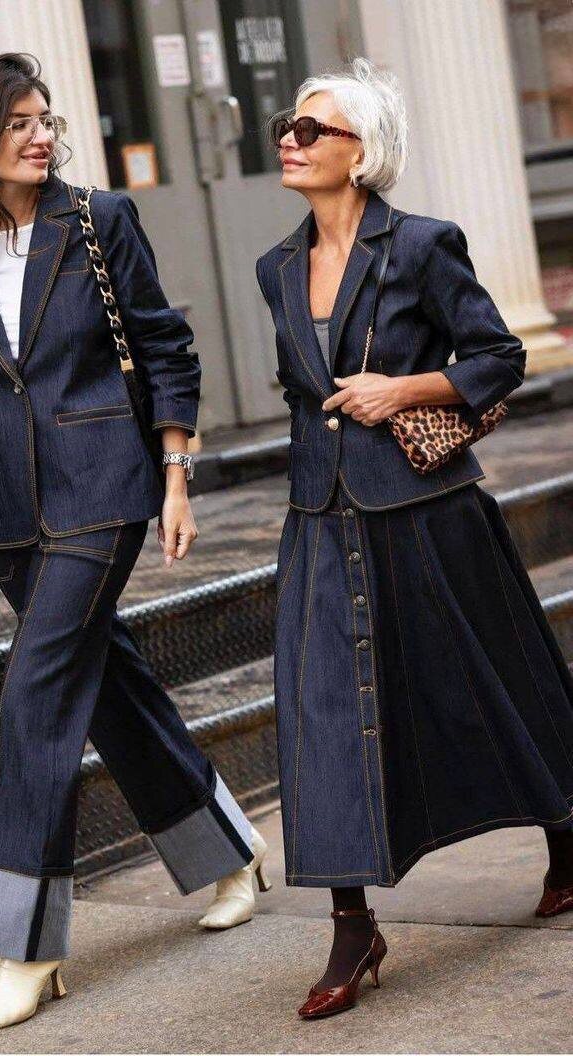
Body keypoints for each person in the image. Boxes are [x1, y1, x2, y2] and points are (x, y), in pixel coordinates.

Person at [0, 52, 270, 1034]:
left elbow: (164, 343)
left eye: (46, 119)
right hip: (10, 510)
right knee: (109, 688)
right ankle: (230, 853)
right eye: (18, 122)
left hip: (104, 488)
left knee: (33, 700)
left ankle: (24, 947)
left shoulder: (98, 222)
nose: (40, 136)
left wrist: (176, 475)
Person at [255, 56, 573, 1020]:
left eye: (310, 129)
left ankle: (567, 837)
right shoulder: (275, 267)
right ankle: (352, 924)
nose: (289, 140)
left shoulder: (423, 245)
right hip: (320, 514)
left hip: (427, 510)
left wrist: (403, 388)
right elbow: (299, 390)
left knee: (493, 678)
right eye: (285, 126)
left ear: (359, 154)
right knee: (320, 713)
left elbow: (498, 356)